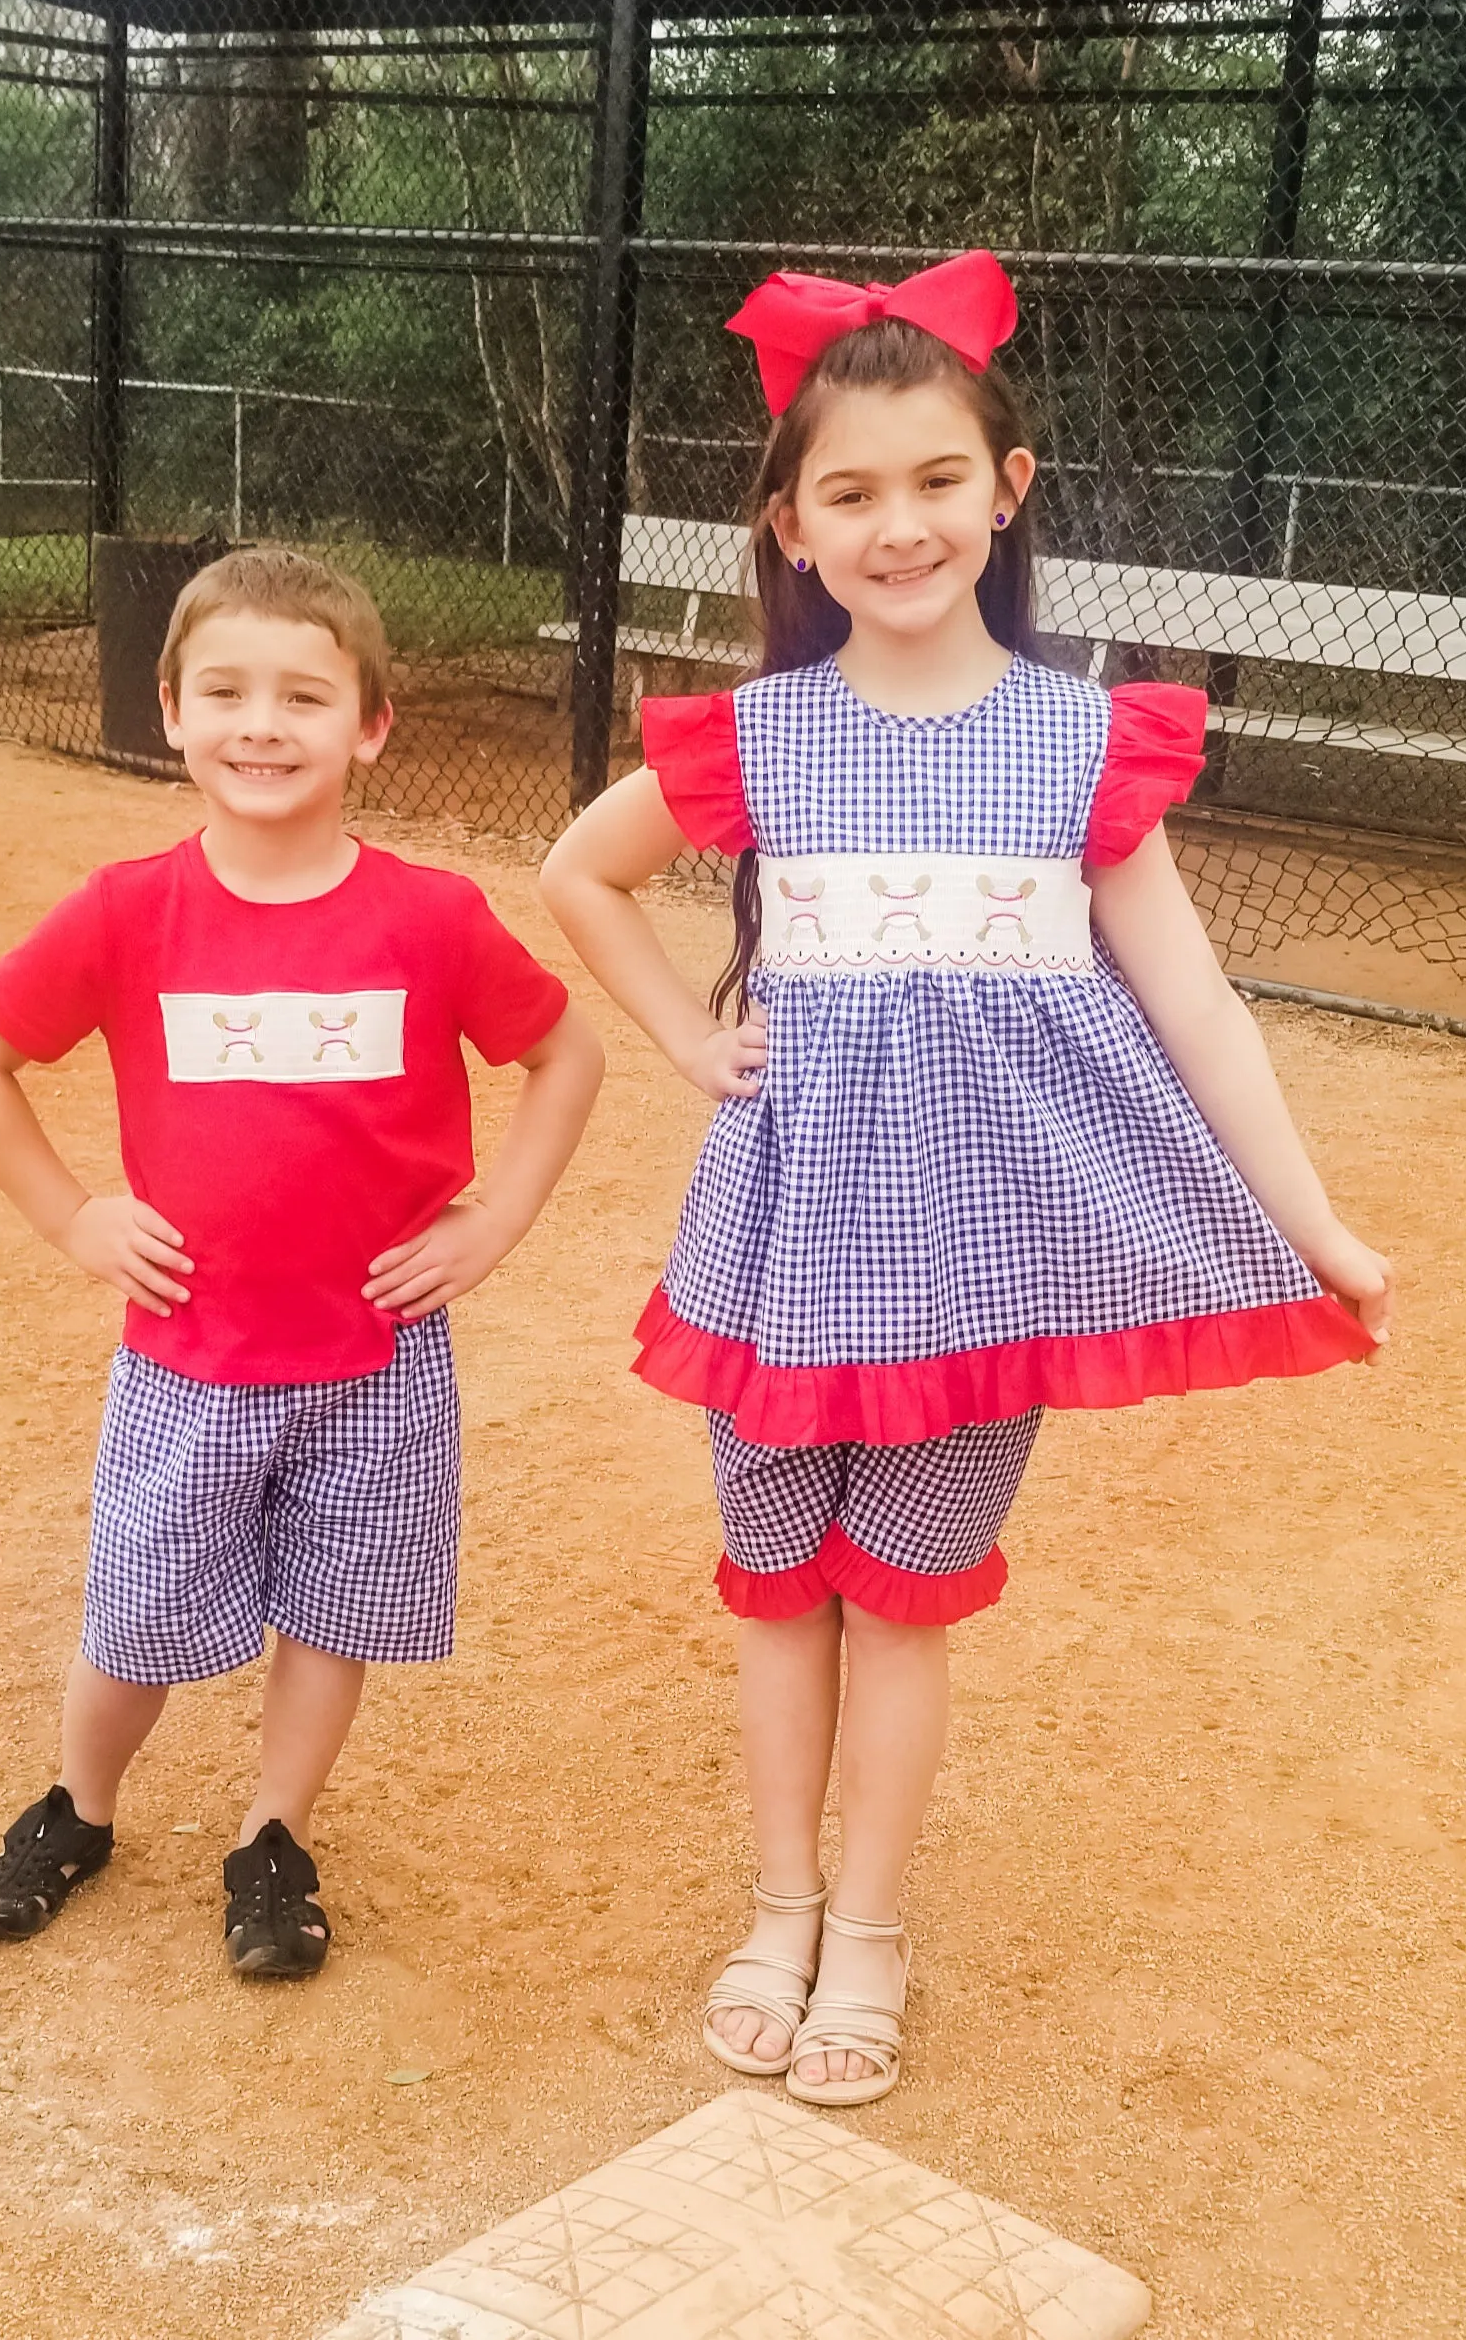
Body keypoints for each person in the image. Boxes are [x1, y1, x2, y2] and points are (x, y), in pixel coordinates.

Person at [539, 252, 1392, 2106]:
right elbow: (573, 872)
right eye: (847, 490)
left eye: (936, 479)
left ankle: (870, 1928)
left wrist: (1312, 1220)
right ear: (790, 525)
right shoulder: (758, 738)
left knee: (905, 1597)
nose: (896, 521)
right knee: (776, 1583)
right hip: (779, 1256)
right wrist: (695, 1044)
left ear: (1008, 489)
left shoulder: (1085, 743)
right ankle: (775, 1906)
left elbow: (1197, 1006)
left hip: (977, 1275)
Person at [0, 545, 602, 1979]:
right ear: (171, 709)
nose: (262, 724)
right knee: (140, 1621)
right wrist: (73, 1216)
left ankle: (274, 1834)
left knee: (333, 1612)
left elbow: (565, 1051)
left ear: (369, 725)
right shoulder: (128, 911)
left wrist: (495, 1221)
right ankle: (81, 1806)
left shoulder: (429, 919)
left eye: (305, 694)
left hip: (377, 1355)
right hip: (193, 1356)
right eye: (225, 690)